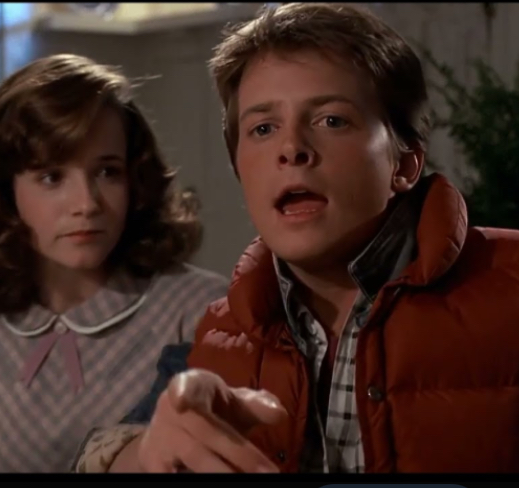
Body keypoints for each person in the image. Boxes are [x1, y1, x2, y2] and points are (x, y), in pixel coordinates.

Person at [70, 2, 519, 474]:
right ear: (239, 170)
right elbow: (108, 454)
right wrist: (143, 454)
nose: (291, 149)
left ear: (404, 164)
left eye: (331, 120)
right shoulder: (221, 334)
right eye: (263, 128)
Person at [0, 53, 229, 473]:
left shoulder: (197, 307)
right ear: (4, 191)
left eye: (107, 172)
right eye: (52, 177)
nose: (86, 204)